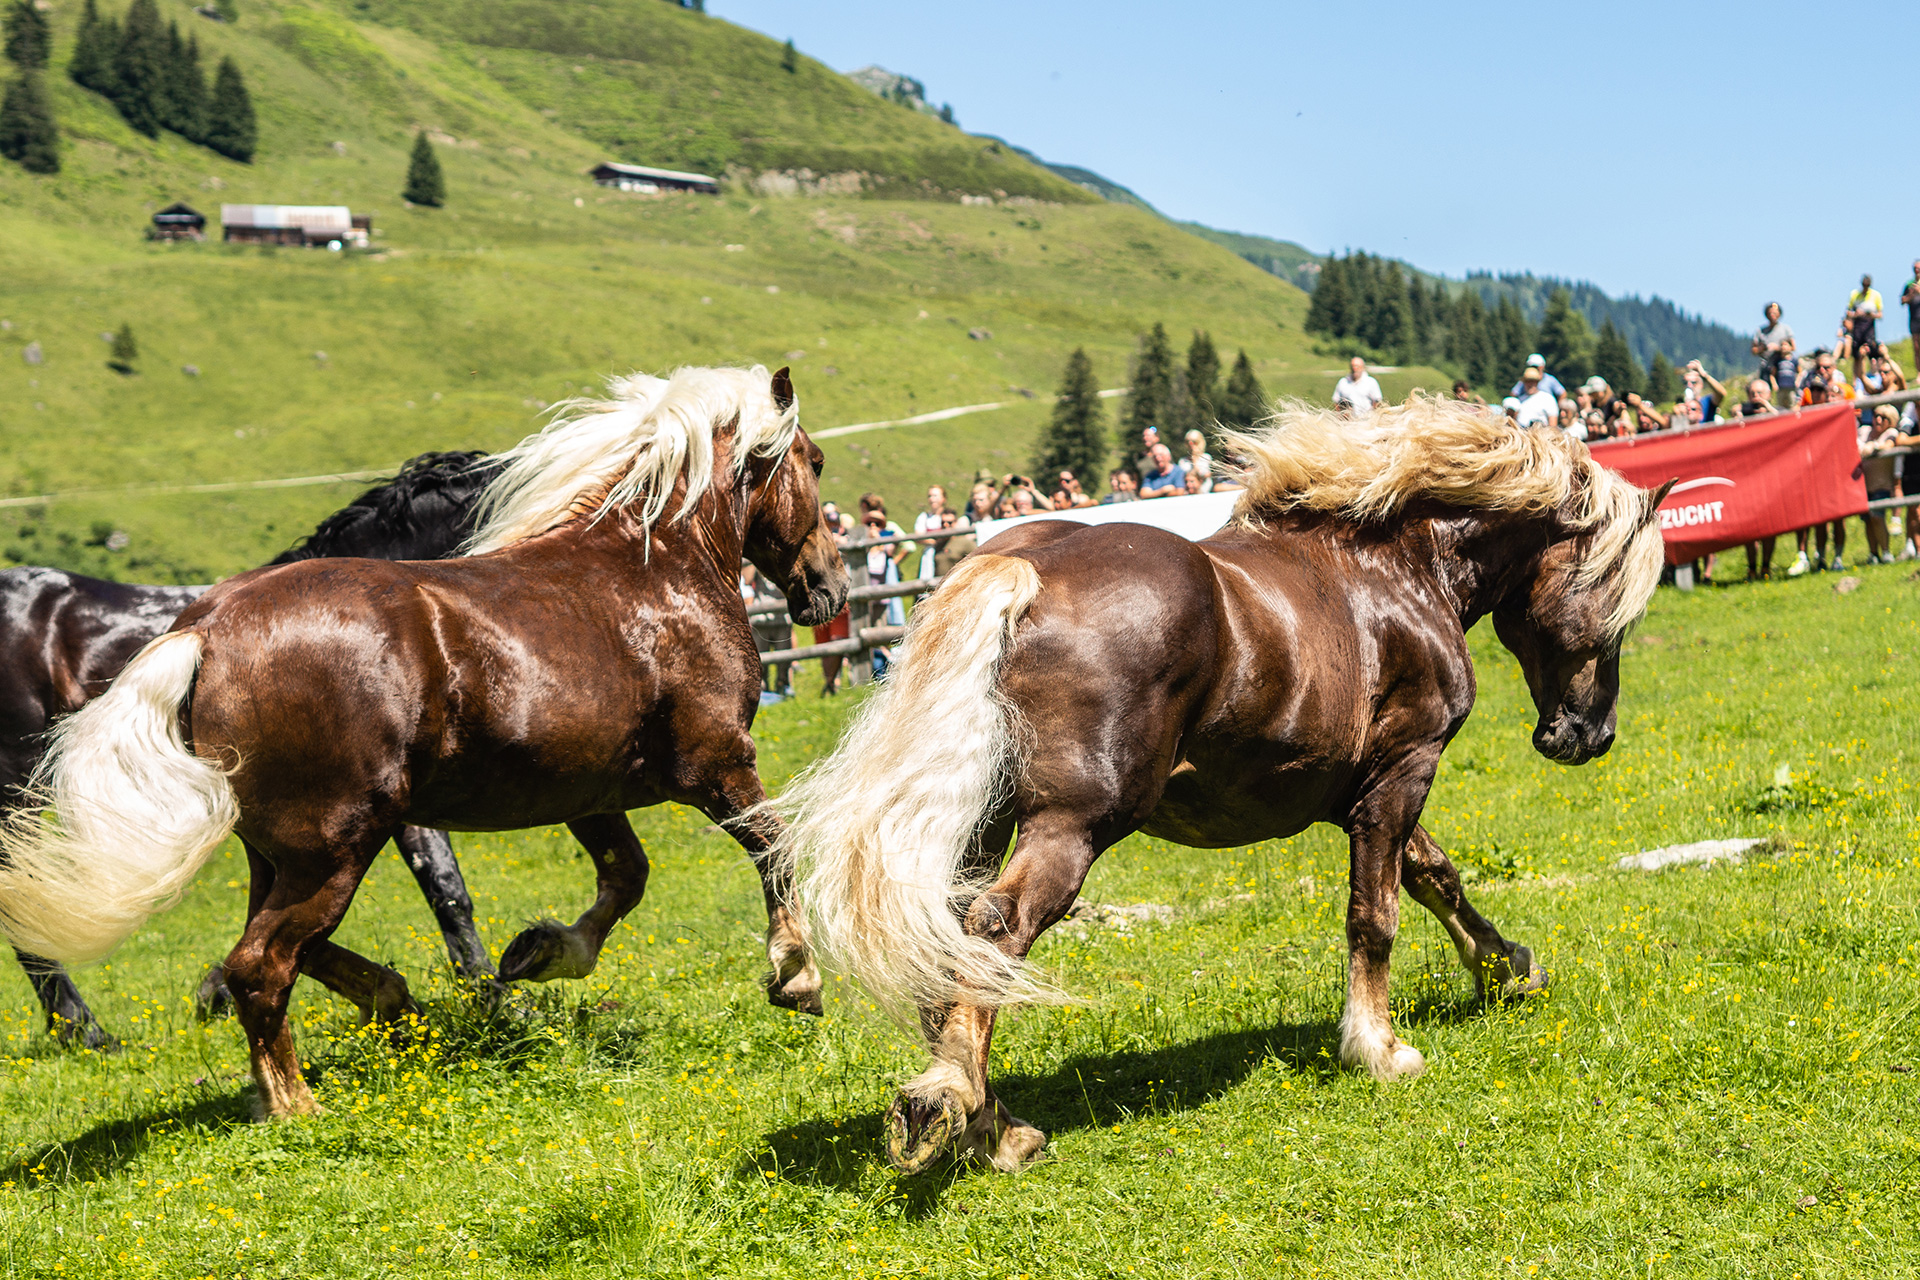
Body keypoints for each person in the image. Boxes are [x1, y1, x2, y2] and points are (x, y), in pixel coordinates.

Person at [1861, 406, 1902, 564]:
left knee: (1877, 517)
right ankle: (1873, 553)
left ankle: (1885, 552)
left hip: (1881, 484)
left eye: (1883, 417)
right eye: (1876, 415)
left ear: (1891, 421)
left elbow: (1888, 445)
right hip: (1863, 484)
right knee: (1868, 520)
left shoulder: (1891, 433)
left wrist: (1873, 447)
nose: (1878, 420)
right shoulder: (1864, 431)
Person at [1752, 303, 1795, 404]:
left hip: (1781, 365)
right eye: (1770, 313)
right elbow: (1754, 350)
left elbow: (1793, 347)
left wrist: (1778, 348)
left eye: (1775, 313)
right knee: (1765, 390)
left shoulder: (1785, 329)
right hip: (1766, 365)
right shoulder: (1761, 331)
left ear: (1779, 314)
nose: (1772, 315)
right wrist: (1762, 348)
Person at [1845, 273, 1884, 382]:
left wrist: (1870, 314)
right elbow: (1848, 312)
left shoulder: (1875, 295)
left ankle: (1874, 378)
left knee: (1872, 352)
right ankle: (1856, 380)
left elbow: (1880, 315)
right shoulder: (1854, 294)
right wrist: (1855, 314)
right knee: (1857, 354)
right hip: (1857, 327)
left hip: (1869, 327)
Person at [1903, 260, 1920, 379]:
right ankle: (1919, 373)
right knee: (1916, 347)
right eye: (1915, 268)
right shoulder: (1909, 284)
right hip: (1914, 319)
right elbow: (1902, 300)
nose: (1917, 270)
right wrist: (1911, 295)